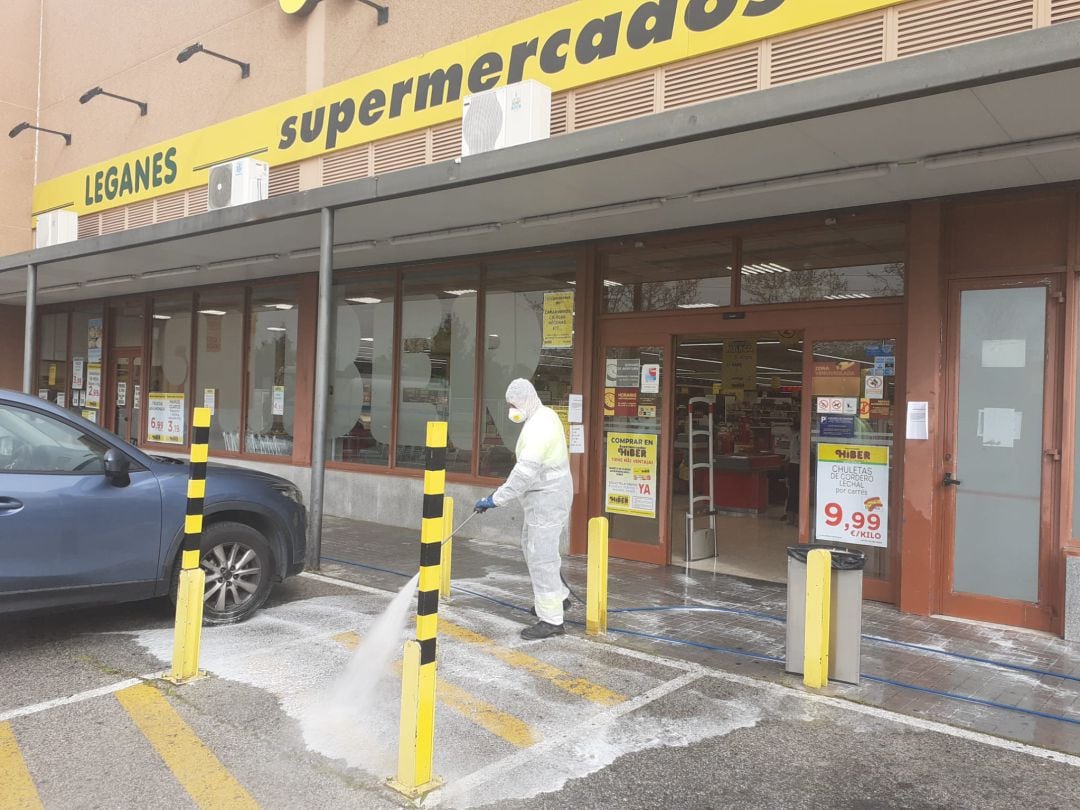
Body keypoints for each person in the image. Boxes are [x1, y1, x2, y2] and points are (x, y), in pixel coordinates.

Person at [475, 378, 573, 640]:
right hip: (542, 500)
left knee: (542, 559)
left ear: (525, 399)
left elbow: (525, 472)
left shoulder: (541, 425)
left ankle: (552, 621)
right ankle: (558, 599)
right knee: (534, 549)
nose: (511, 410)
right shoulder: (541, 416)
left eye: (512, 405)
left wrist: (496, 498)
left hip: (547, 501)